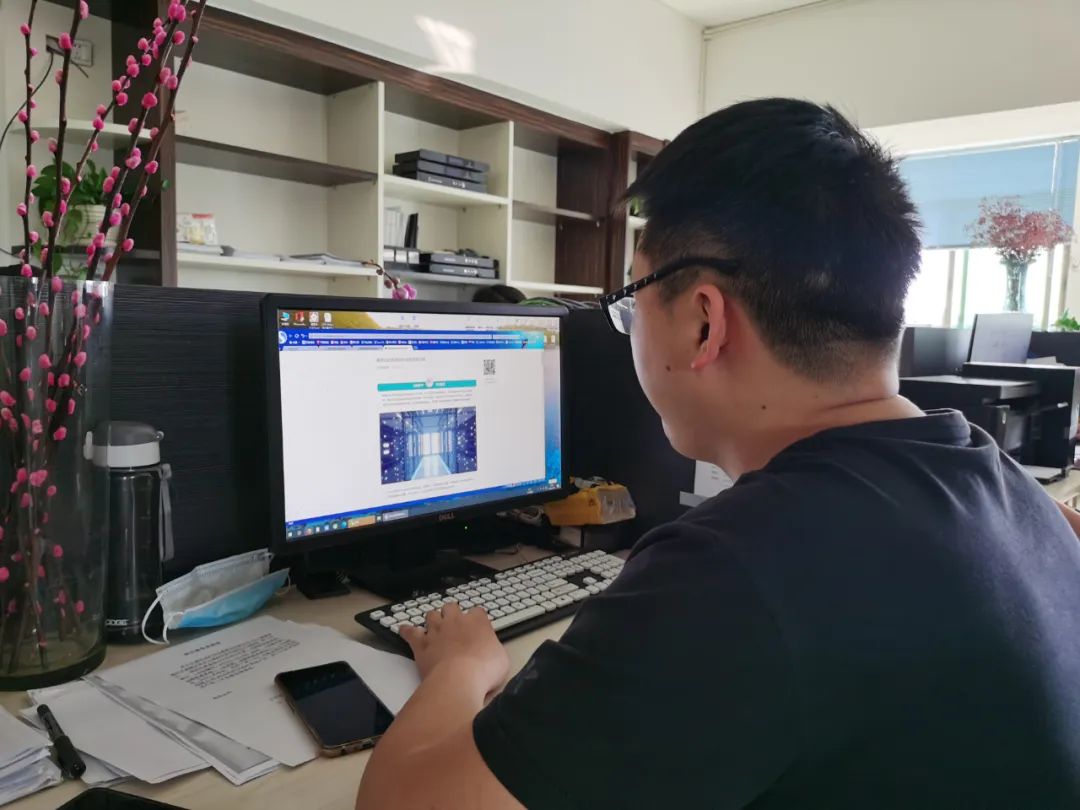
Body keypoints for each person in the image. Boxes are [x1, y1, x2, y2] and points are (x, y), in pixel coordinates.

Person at [356, 99, 1080, 809]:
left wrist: (460, 667)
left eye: (630, 303)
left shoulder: (738, 568)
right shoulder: (1011, 489)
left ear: (704, 323)